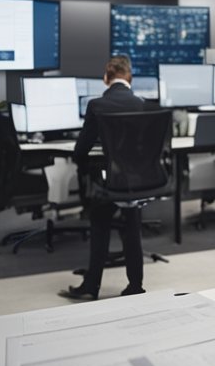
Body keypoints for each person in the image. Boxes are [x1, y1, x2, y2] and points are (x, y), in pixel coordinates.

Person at [60, 56, 151, 301]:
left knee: (100, 223)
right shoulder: (142, 104)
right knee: (132, 225)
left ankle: (92, 285)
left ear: (106, 78)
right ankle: (135, 285)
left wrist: (84, 164)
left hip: (107, 182)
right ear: (129, 77)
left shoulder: (96, 105)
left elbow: (81, 150)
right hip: (137, 182)